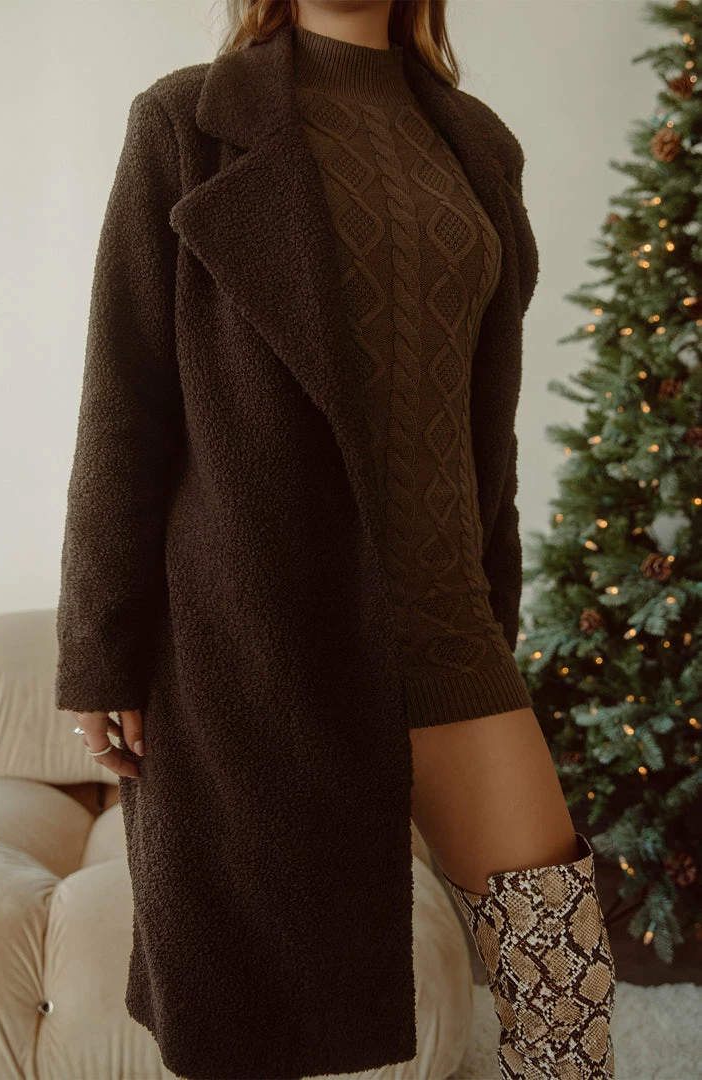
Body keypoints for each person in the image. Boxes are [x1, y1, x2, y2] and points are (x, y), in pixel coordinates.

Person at [56, 1, 616, 1077]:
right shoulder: (183, 122)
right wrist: (98, 652)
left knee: (565, 988)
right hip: (260, 636)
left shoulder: (477, 142)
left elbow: (480, 415)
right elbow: (122, 404)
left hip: (446, 626)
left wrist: (496, 595)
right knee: (257, 1029)